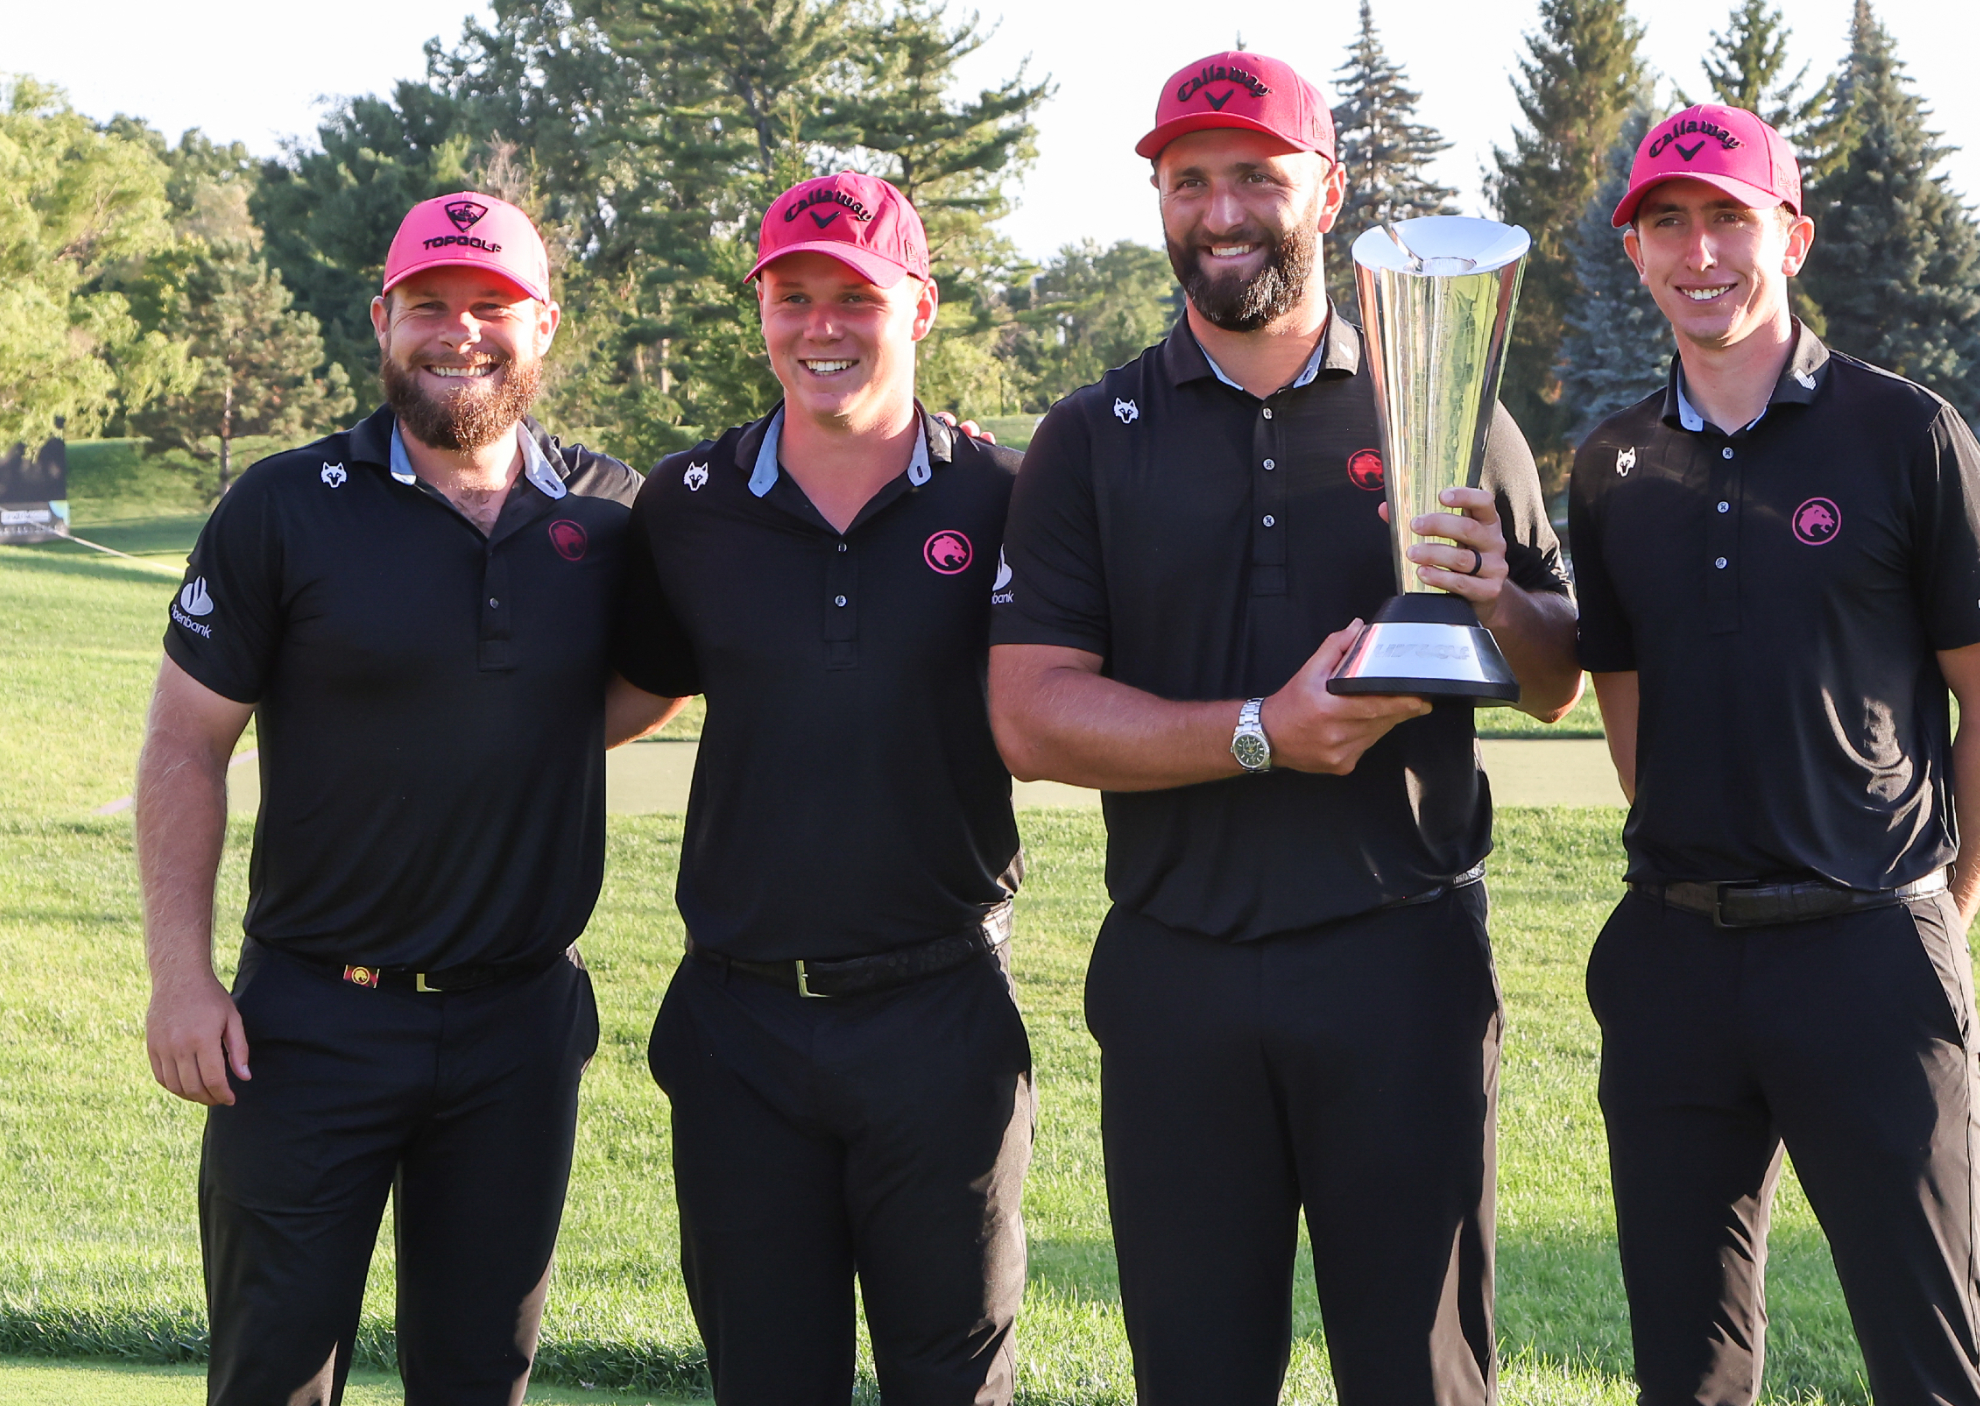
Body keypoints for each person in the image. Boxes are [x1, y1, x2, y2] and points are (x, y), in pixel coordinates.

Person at [986, 51, 1582, 1405]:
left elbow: (1553, 678)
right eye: (1188, 180)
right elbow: (1028, 713)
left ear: (1329, 192)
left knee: (1422, 1374)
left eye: (1257, 172)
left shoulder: (1446, 399)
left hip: (1402, 963)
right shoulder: (1092, 437)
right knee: (1196, 1376)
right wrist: (1261, 730)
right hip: (1176, 971)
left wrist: (1499, 596)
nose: (1221, 208)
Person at [139, 191, 660, 1406]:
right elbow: (182, 745)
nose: (457, 332)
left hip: (519, 1023)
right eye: (428, 304)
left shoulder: (614, 509)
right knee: (274, 1373)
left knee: (480, 1374)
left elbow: (653, 678)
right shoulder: (281, 503)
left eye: (491, 307)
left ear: (543, 328)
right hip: (309, 1021)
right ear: (382, 318)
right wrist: (181, 975)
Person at [1567, 104, 1980, 1406]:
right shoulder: (1612, 461)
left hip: (1868, 950)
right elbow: (1627, 712)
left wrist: (1933, 922)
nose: (1699, 249)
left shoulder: (1905, 435)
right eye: (1667, 221)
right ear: (1637, 248)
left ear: (1792, 233)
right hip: (1672, 960)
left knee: (1931, 1356)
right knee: (1687, 1364)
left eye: (1729, 215)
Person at [606, 172, 1032, 1405]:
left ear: (921, 307)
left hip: (939, 1007)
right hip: (738, 1020)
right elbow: (632, 689)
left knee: (950, 1382)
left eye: (856, 294)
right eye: (793, 295)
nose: (822, 324)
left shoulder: (1000, 499)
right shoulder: (685, 505)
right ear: (762, 312)